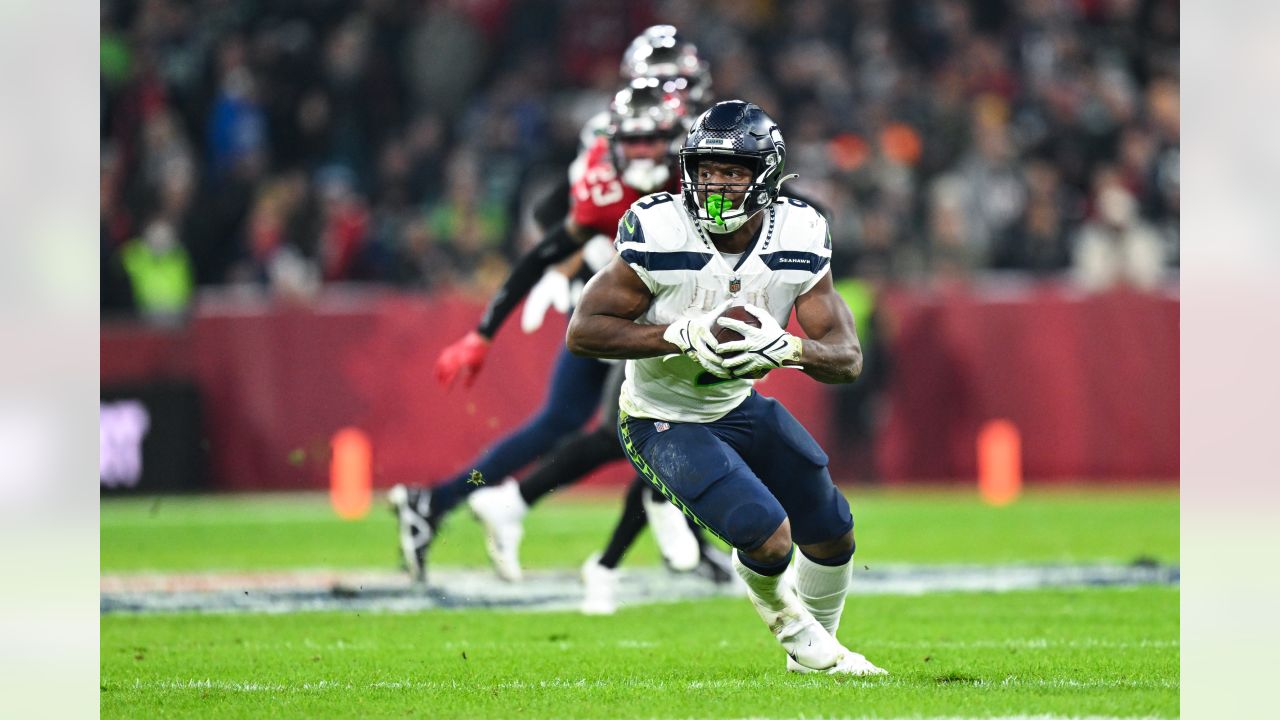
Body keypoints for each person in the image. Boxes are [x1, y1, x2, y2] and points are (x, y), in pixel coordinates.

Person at [565, 100, 887, 675]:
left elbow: (847, 358)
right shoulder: (659, 227)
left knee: (833, 533)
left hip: (735, 404)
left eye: (733, 171)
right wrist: (678, 333)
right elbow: (583, 331)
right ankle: (800, 638)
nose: (715, 183)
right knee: (767, 537)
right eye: (706, 169)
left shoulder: (801, 231)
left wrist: (788, 349)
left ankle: (817, 650)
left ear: (765, 175)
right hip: (660, 415)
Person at [389, 67, 700, 584]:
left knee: (585, 425)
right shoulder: (602, 178)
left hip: (655, 305)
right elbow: (549, 232)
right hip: (616, 314)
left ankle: (442, 500)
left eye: (653, 140)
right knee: (632, 427)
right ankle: (526, 512)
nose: (642, 152)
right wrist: (485, 331)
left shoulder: (700, 170)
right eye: (633, 140)